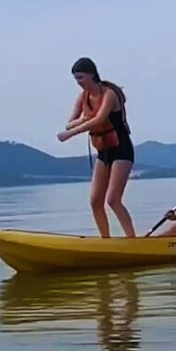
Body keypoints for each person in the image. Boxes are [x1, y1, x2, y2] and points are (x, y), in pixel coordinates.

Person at [57, 57, 136, 238]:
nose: (79, 82)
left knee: (113, 199)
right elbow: (69, 123)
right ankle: (105, 239)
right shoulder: (83, 97)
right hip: (103, 151)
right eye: (76, 79)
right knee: (95, 201)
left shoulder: (109, 94)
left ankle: (132, 239)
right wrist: (82, 120)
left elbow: (100, 119)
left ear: (92, 74)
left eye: (81, 77)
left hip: (122, 149)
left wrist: (71, 134)